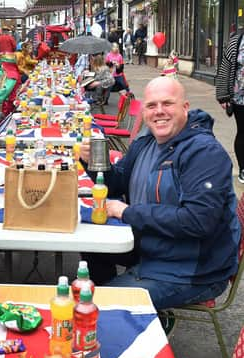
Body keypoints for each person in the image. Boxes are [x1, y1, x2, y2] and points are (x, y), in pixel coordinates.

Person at [79, 77, 240, 310]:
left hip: (192, 270)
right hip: (153, 246)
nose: (159, 112)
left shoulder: (204, 153)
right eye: (152, 105)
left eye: (168, 103)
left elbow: (197, 221)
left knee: (97, 305)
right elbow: (115, 183)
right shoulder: (147, 141)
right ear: (144, 111)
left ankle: (117, 309)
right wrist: (94, 161)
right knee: (92, 244)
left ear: (185, 107)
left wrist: (128, 212)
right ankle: (125, 309)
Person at [217, 31, 244, 183]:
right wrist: (222, 95)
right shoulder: (237, 41)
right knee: (243, 133)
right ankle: (243, 168)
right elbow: (225, 68)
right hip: (240, 98)